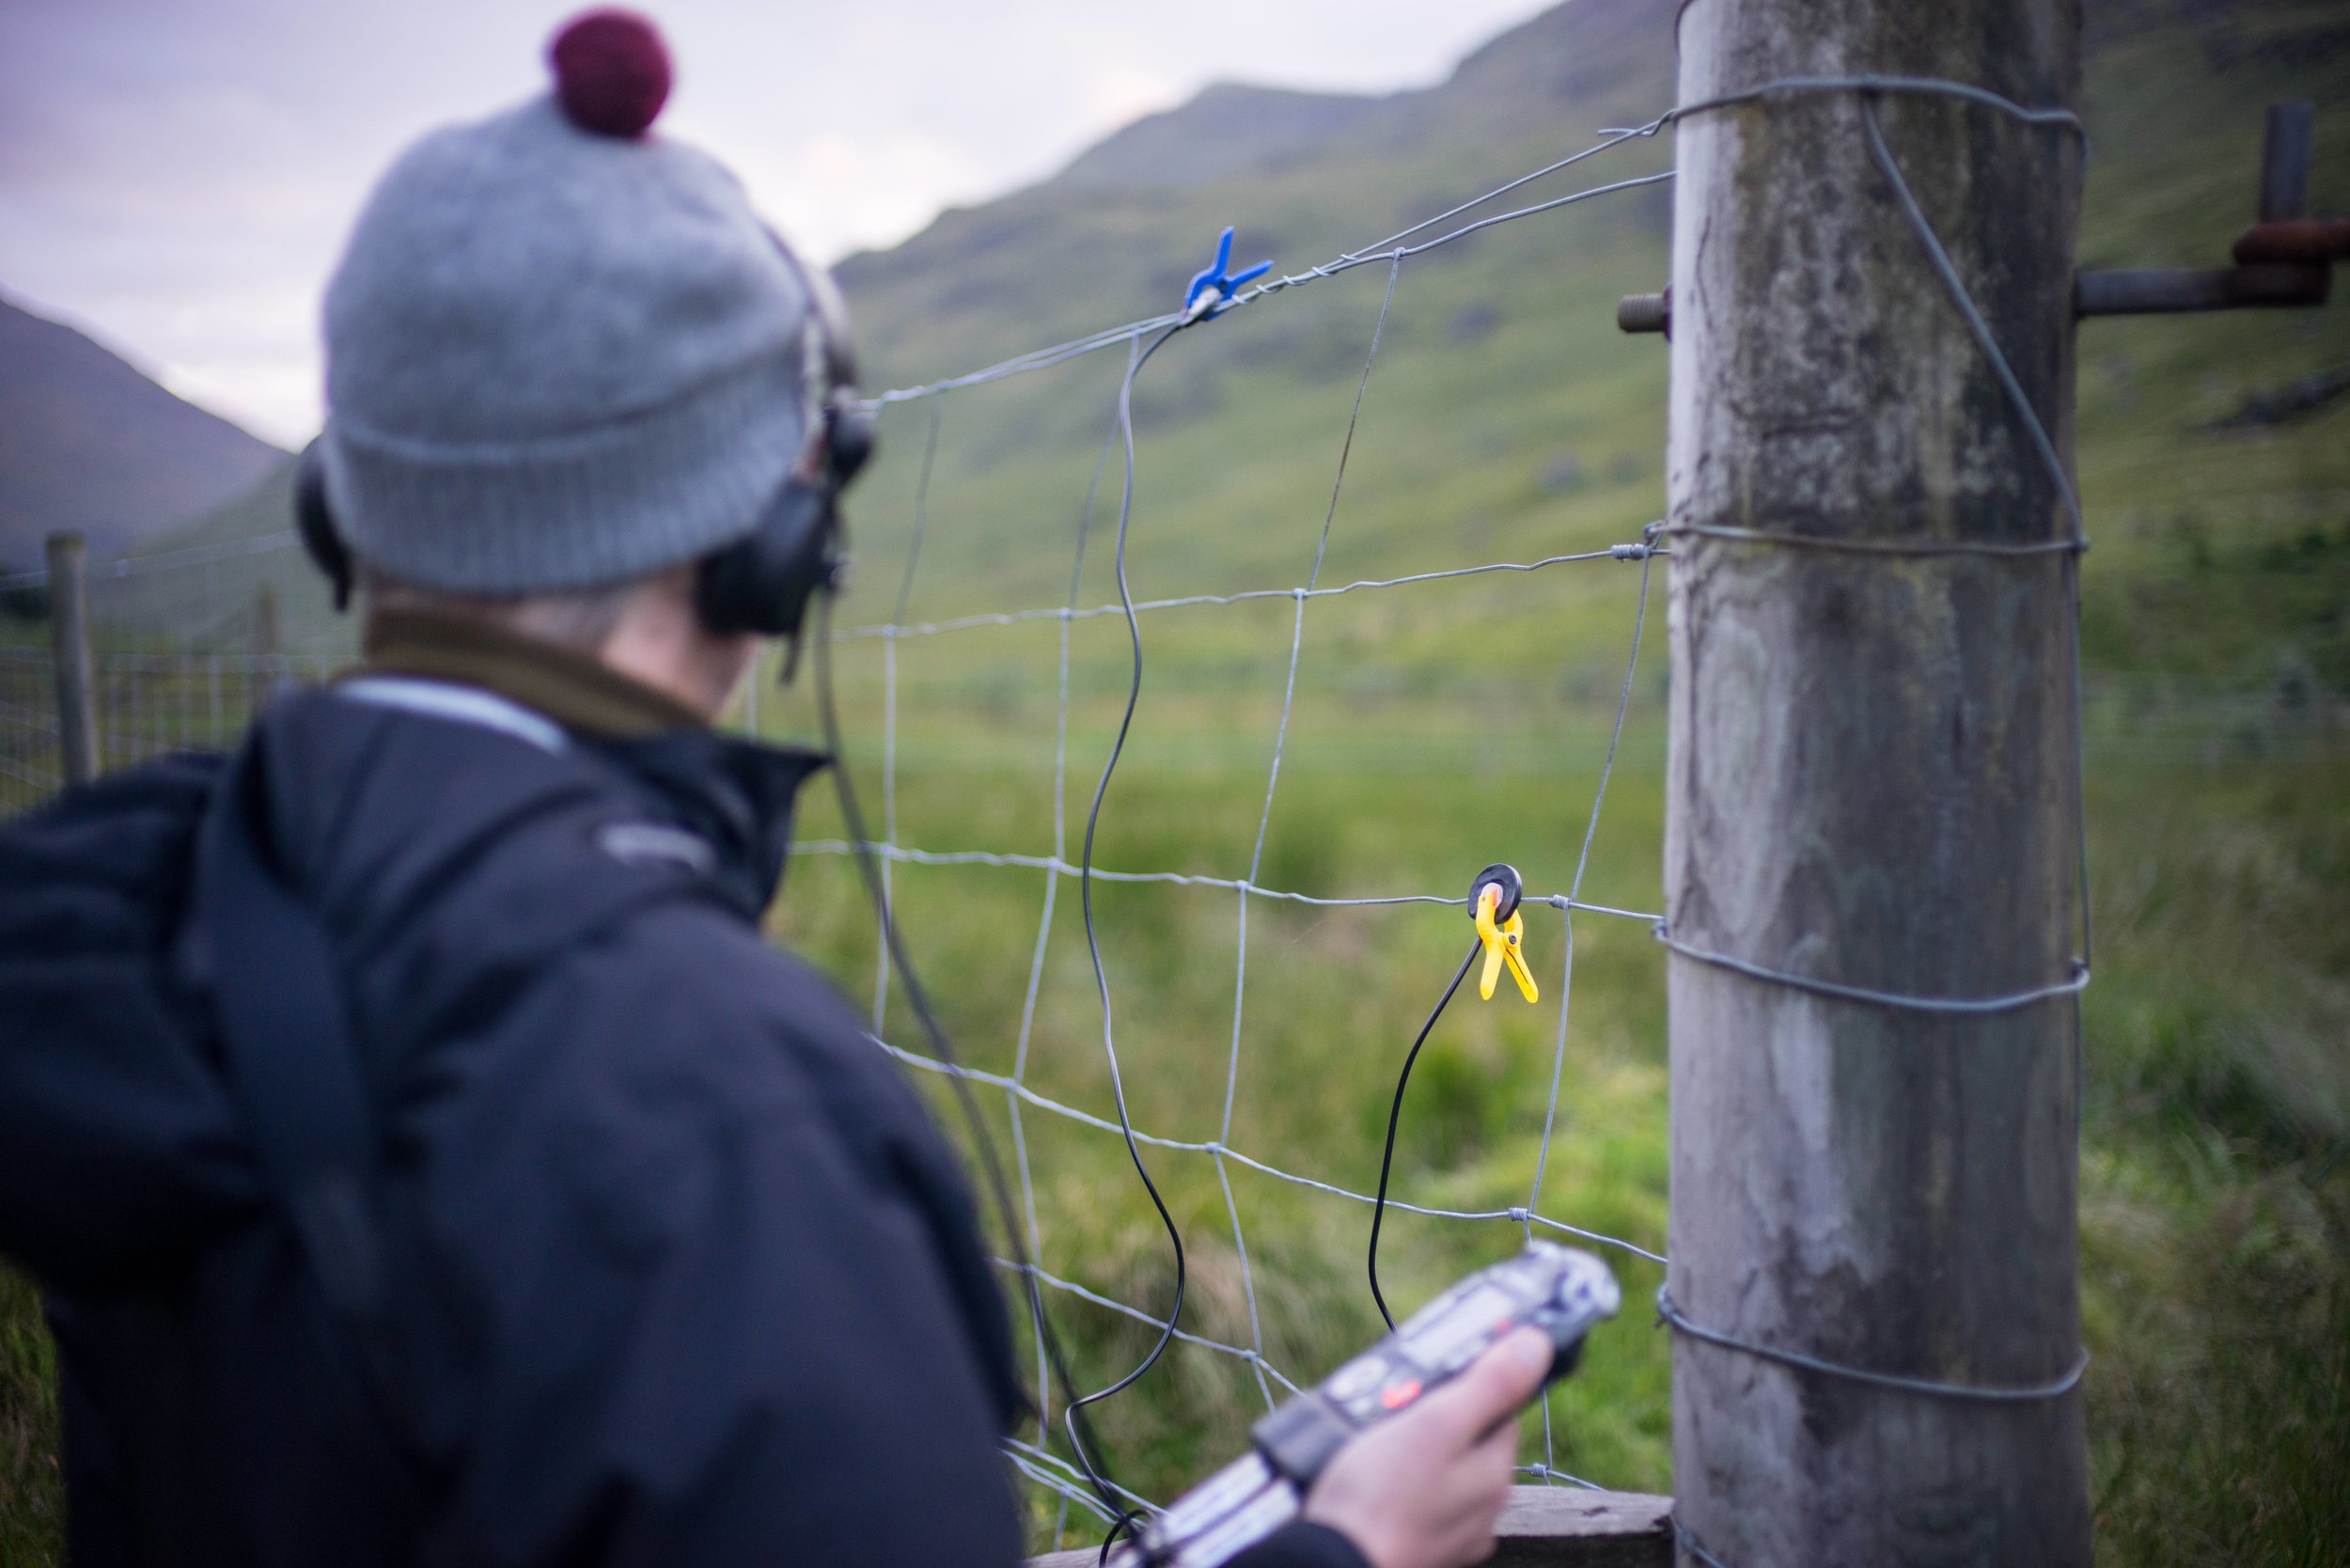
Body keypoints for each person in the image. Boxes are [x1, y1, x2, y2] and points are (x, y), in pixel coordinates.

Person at [0, 11, 1554, 1567]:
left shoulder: (130, 900)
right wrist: (1338, 1553)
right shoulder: (721, 1116)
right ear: (769, 539)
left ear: (353, 509)